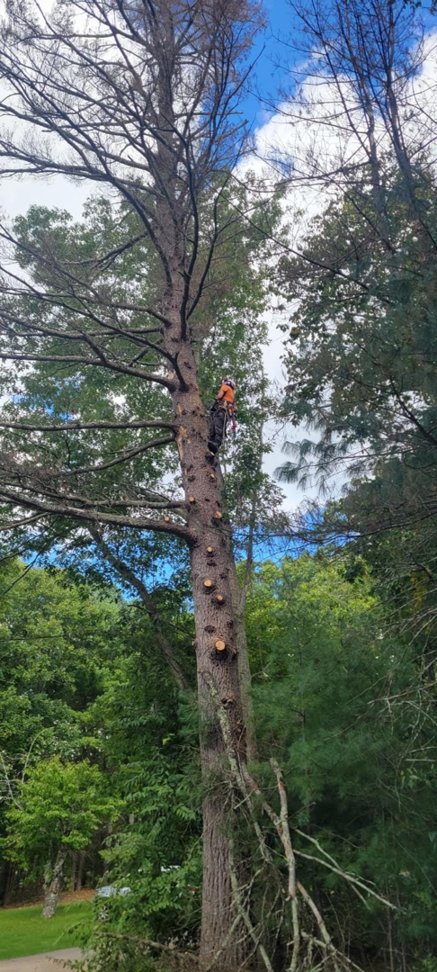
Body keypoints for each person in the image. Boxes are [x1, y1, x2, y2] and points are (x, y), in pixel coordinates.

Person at [208, 377, 237, 455]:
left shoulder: (225, 387)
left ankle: (215, 443)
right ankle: (213, 443)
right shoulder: (232, 395)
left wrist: (214, 403)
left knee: (216, 426)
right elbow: (235, 409)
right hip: (226, 413)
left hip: (222, 410)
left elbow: (219, 396)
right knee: (217, 426)